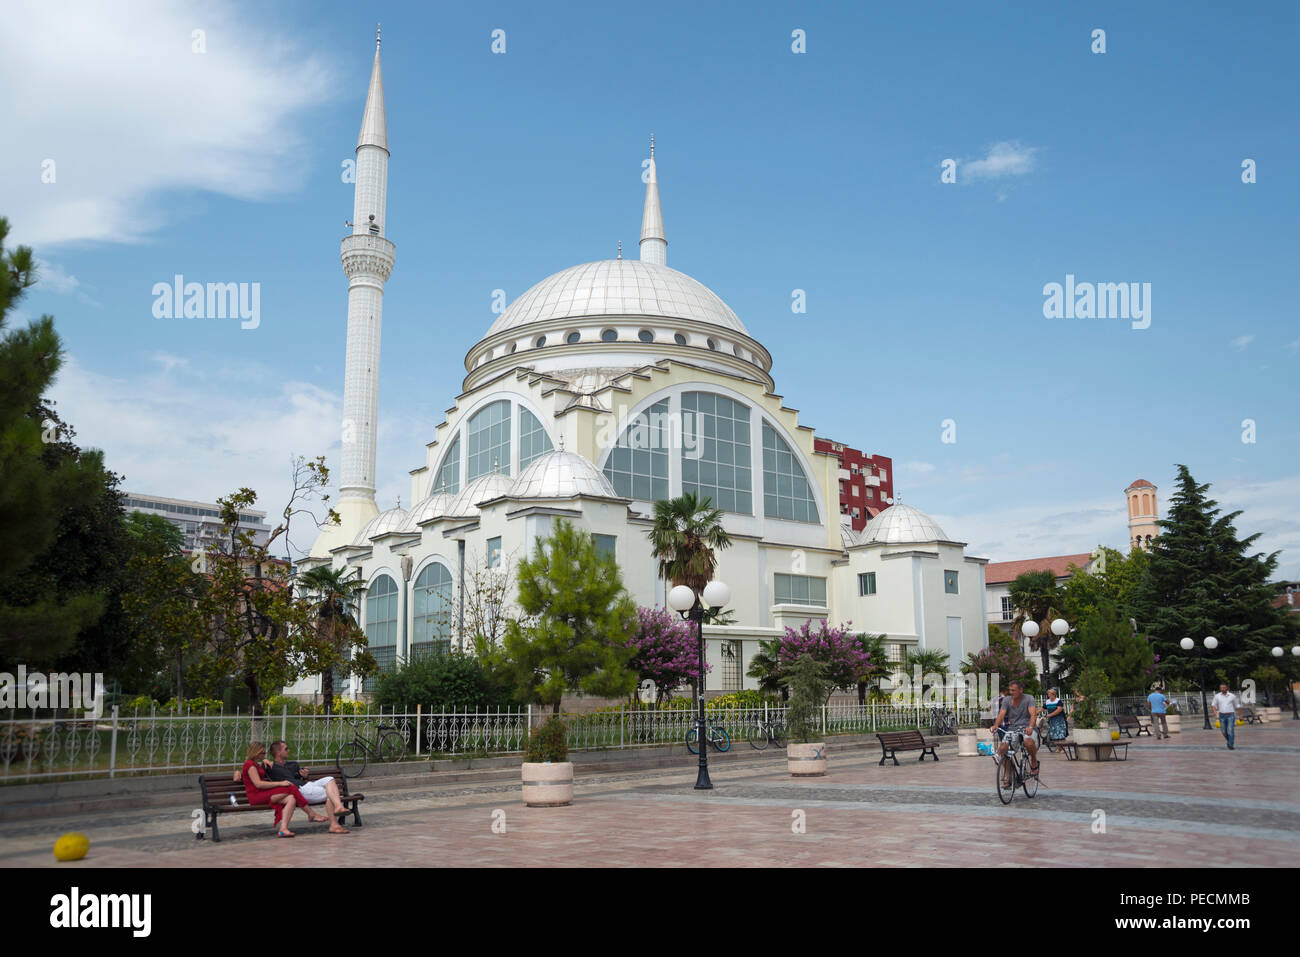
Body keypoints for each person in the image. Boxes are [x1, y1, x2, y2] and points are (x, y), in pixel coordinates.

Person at [266, 740, 350, 834]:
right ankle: (334, 824)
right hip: (298, 791)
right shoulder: (270, 767)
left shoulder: (293, 764)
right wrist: (265, 760)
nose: (289, 750)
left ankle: (338, 808)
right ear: (278, 752)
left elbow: (299, 776)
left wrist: (304, 775)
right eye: (286, 749)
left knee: (329, 779)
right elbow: (253, 764)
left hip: (307, 786)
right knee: (330, 794)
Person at [238, 741, 309, 837]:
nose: (265, 754)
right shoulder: (250, 765)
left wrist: (264, 760)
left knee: (291, 798)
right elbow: (258, 784)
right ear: (256, 752)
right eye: (263, 753)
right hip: (256, 796)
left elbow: (249, 775)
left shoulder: (255, 764)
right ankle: (311, 814)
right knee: (290, 788)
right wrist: (280, 783)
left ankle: (283, 829)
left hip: (262, 793)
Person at [992, 680, 1039, 778]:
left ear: (1021, 690)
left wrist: (1030, 727)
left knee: (1028, 742)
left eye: (1013, 690)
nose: (1011, 693)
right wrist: (995, 725)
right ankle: (1010, 775)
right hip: (1013, 728)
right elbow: (1001, 714)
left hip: (1028, 727)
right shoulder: (1006, 700)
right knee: (1002, 750)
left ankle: (1034, 761)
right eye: (1010, 690)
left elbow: (1033, 714)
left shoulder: (1029, 698)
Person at [1211, 682, 1241, 750]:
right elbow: (1213, 705)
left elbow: (1237, 706)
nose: (1222, 689)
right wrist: (1215, 713)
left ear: (1227, 688)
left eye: (1224, 688)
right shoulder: (1217, 696)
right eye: (1221, 688)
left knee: (1230, 730)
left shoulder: (1232, 696)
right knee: (1223, 731)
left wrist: (1240, 715)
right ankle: (1229, 741)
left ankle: (1231, 744)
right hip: (1222, 716)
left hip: (1231, 715)